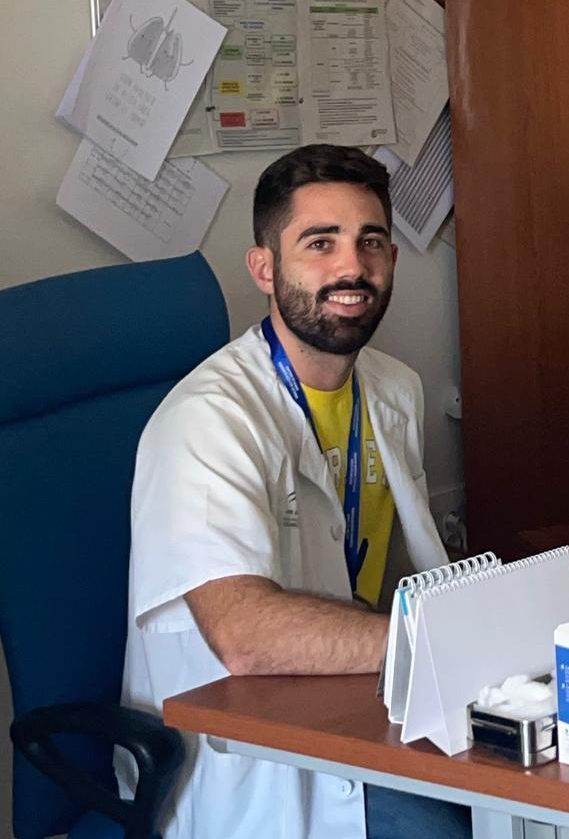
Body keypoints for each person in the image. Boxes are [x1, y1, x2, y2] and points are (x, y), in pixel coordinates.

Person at [120, 145, 472, 839]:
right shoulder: (209, 420)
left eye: (371, 242)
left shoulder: (394, 388)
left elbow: (399, 570)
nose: (352, 268)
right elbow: (244, 638)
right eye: (320, 243)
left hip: (360, 703)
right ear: (264, 268)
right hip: (245, 755)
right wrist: (444, 640)